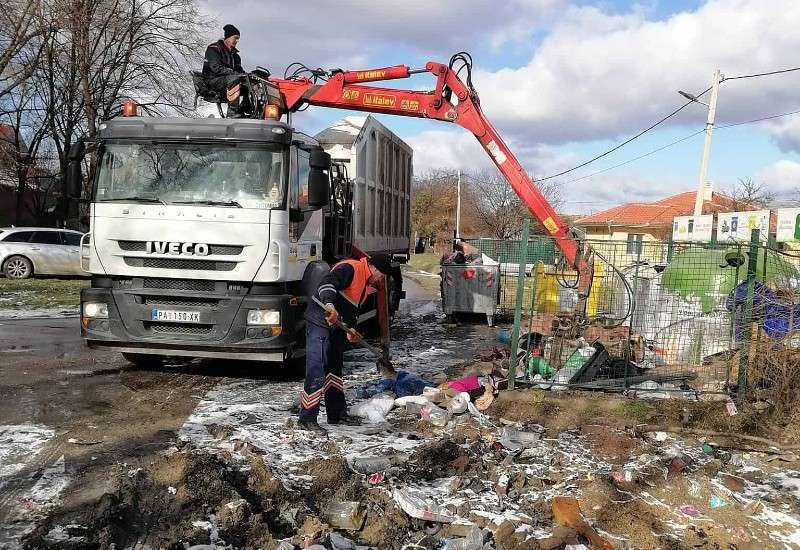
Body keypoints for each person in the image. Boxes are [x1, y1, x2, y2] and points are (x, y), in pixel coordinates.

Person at [298, 254, 392, 433]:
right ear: (374, 268)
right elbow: (328, 283)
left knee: (334, 369)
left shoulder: (365, 284)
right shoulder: (351, 268)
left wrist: (351, 330)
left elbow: (349, 308)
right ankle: (307, 418)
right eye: (381, 275)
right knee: (317, 368)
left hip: (335, 327)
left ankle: (336, 413)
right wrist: (329, 305)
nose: (381, 279)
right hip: (320, 320)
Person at [202, 24, 250, 117]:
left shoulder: (235, 56)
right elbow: (215, 67)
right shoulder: (214, 49)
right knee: (234, 79)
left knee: (251, 83)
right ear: (228, 37)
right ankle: (232, 112)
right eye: (235, 38)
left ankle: (244, 109)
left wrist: (248, 76)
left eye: (238, 39)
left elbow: (239, 71)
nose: (237, 41)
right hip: (213, 80)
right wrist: (235, 74)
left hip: (229, 80)